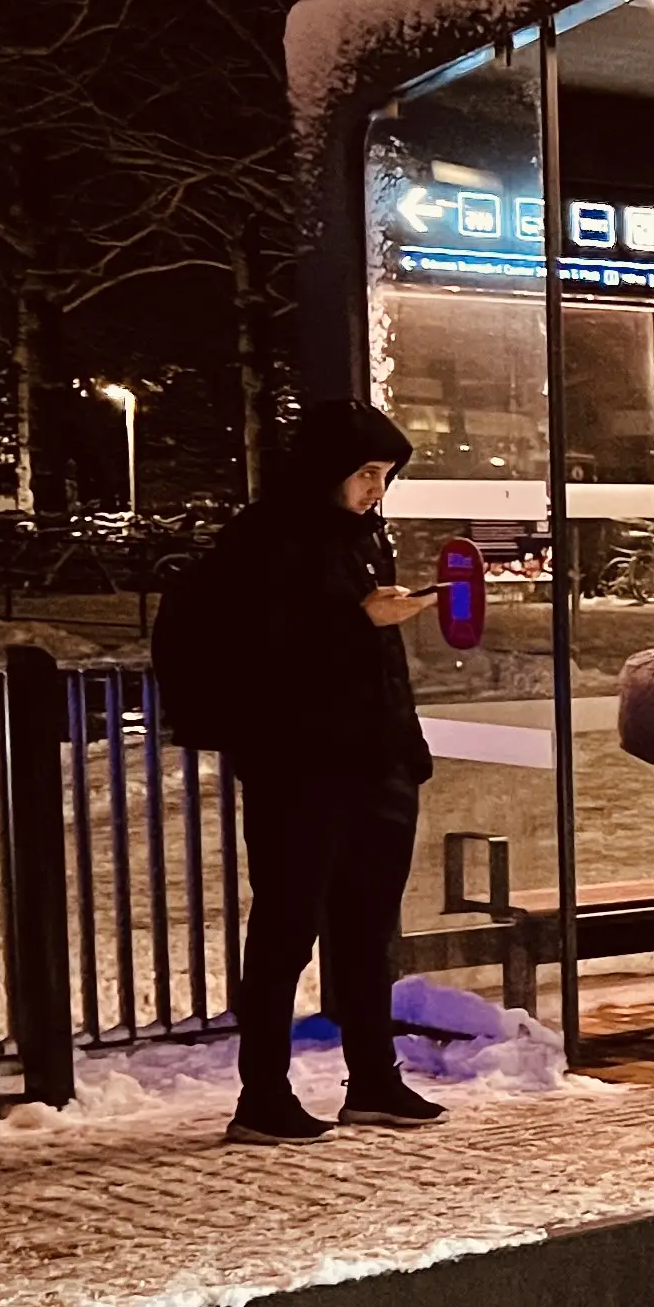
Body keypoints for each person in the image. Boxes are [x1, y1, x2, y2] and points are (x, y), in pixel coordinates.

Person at [219, 401, 441, 1144]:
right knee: (286, 929)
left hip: (374, 765)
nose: (376, 488)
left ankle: (373, 1080)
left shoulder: (362, 543)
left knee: (366, 930)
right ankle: (263, 1095)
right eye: (366, 473)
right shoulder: (265, 542)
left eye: (385, 475)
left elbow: (376, 666)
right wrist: (357, 622)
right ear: (326, 473)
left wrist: (405, 760)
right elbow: (263, 655)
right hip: (301, 770)